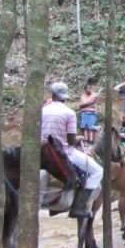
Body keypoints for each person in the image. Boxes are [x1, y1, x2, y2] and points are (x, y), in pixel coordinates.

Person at [42, 82, 101, 218]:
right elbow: (70, 141)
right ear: (64, 97)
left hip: (43, 153)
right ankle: (78, 206)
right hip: (63, 153)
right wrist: (79, 137)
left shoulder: (42, 111)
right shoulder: (69, 113)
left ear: (53, 95)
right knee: (98, 171)